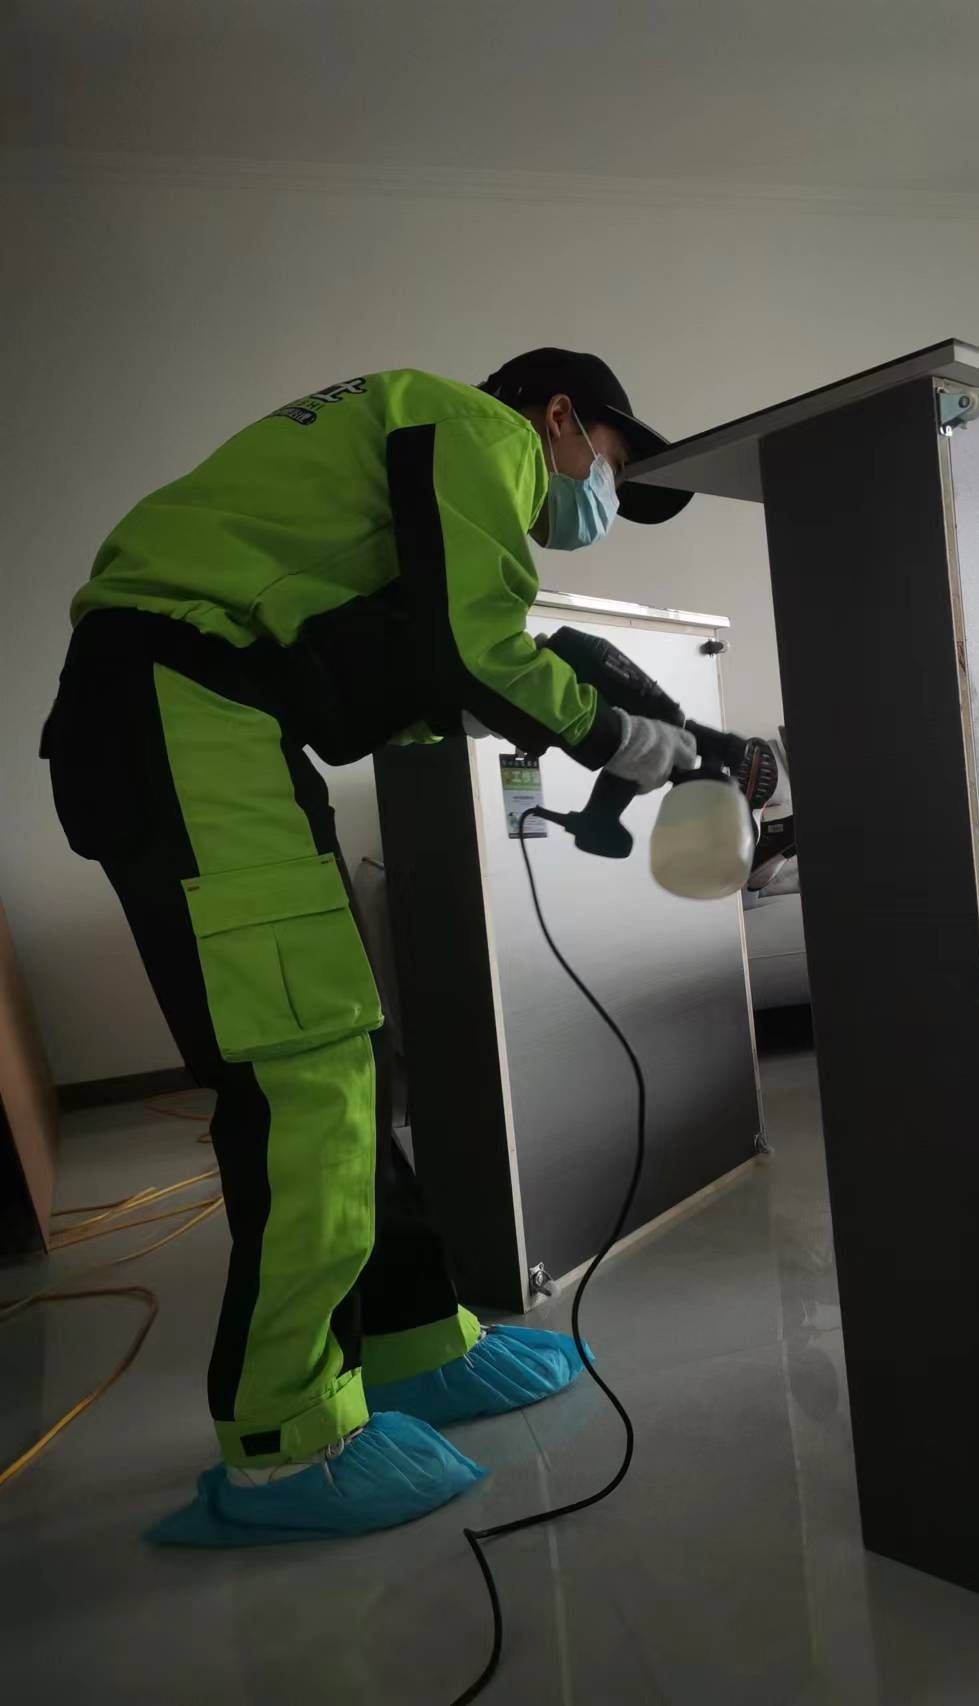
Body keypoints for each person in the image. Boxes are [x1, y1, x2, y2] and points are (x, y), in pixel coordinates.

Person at [41, 349, 695, 1545]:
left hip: (209, 708)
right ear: (559, 416)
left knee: (351, 1045)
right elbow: (475, 645)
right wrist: (622, 735)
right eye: (607, 461)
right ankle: (285, 1440)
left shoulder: (380, 474)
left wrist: (536, 703)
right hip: (180, 702)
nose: (597, 495)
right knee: (307, 1071)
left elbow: (390, 681)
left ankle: (410, 1337)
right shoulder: (473, 429)